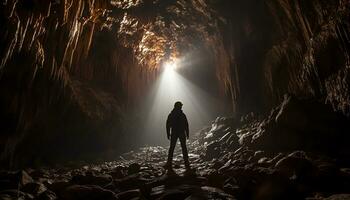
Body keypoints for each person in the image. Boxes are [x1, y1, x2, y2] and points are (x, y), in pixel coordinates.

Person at [164, 101, 190, 170]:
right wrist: (187, 133)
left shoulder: (171, 114)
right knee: (183, 147)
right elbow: (186, 124)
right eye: (180, 106)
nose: (181, 107)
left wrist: (168, 133)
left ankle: (169, 163)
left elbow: (168, 125)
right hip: (180, 133)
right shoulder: (182, 115)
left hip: (174, 133)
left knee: (172, 148)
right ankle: (186, 163)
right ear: (178, 106)